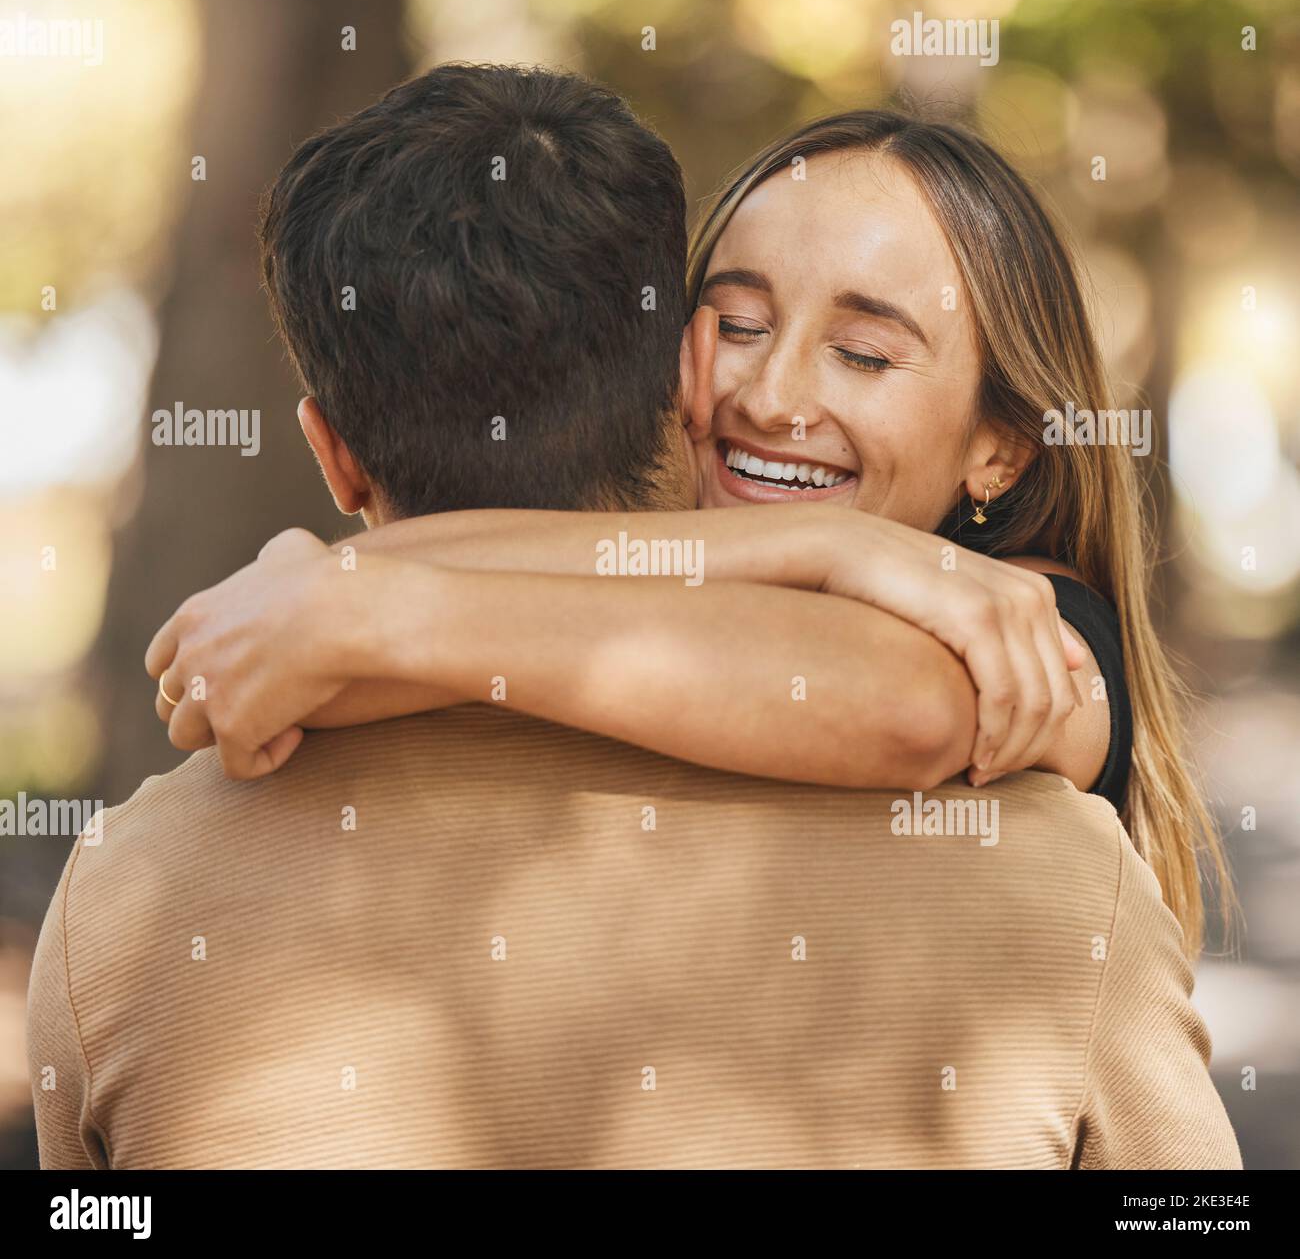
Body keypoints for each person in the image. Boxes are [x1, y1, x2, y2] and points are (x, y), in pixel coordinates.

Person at [28, 65, 1240, 1168]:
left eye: (865, 355)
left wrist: (372, 603)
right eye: (740, 323)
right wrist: (829, 539)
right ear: (664, 370)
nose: (770, 395)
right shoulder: (685, 581)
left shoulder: (1029, 633)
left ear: (1000, 449)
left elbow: (911, 705)